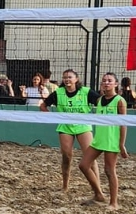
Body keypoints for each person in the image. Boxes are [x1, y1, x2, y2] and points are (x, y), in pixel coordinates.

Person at [42, 68, 105, 201]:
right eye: (65, 77)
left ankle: (97, 187)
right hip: (65, 126)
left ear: (76, 79)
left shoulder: (86, 92)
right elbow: (43, 106)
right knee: (66, 156)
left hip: (83, 125)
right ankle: (65, 185)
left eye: (70, 77)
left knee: (90, 156)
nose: (67, 79)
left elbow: (101, 102)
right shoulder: (58, 93)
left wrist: (101, 114)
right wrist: (52, 118)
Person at [80, 71, 128, 209]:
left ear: (116, 84)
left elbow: (124, 123)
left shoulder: (120, 100)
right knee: (83, 165)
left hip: (112, 140)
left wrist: (122, 144)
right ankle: (98, 194)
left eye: (109, 80)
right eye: (104, 80)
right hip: (99, 139)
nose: (106, 83)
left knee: (109, 170)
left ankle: (114, 203)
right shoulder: (100, 100)